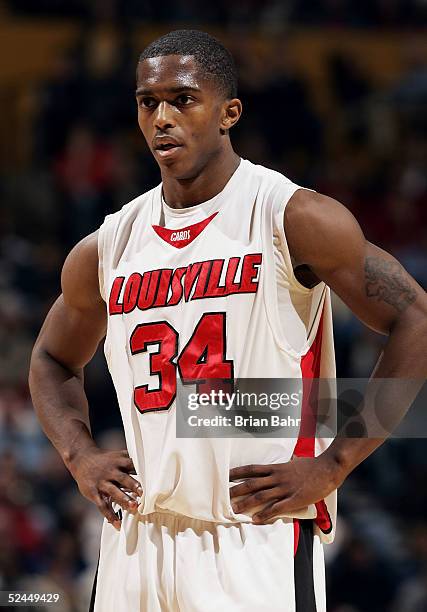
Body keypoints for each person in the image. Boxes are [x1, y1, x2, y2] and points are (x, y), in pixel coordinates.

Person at [29, 30, 427, 612]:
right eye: (148, 102)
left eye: (183, 99)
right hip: (137, 536)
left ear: (228, 113)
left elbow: (415, 316)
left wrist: (334, 463)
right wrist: (79, 454)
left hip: (253, 535)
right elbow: (50, 358)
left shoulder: (292, 216)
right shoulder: (109, 244)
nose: (162, 117)